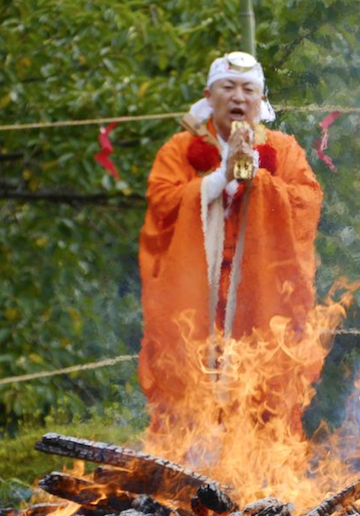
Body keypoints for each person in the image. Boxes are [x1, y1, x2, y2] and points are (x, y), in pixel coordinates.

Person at [138, 52, 323, 435]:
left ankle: (262, 473)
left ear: (261, 100)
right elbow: (161, 203)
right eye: (229, 87)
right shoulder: (180, 149)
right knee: (186, 385)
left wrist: (263, 183)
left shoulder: (283, 149)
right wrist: (215, 182)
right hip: (195, 292)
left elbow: (308, 201)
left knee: (264, 381)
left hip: (259, 292)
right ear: (209, 95)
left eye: (249, 89)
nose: (239, 97)